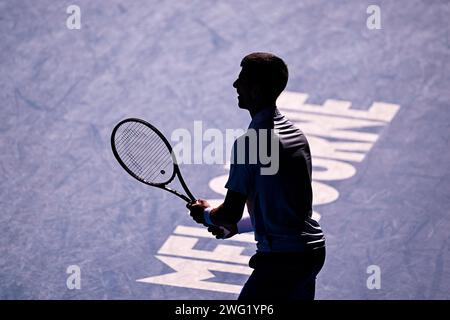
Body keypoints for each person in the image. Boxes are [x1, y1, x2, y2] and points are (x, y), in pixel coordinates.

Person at [187, 52, 326, 301]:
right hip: (311, 254)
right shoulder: (296, 136)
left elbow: (229, 212)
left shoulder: (249, 144)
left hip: (282, 262)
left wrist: (206, 215)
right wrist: (236, 228)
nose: (235, 85)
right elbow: (284, 211)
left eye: (243, 79)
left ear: (258, 88)